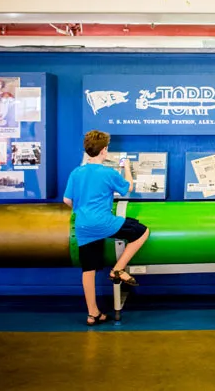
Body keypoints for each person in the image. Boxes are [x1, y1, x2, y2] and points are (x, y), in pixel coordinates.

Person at [63, 130, 150, 326]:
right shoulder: (108, 173)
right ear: (104, 150)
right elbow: (128, 187)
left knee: (88, 269)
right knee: (141, 231)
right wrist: (127, 167)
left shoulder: (76, 172)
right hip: (104, 223)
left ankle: (93, 314)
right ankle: (118, 269)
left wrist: (82, 210)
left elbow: (67, 200)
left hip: (83, 225)